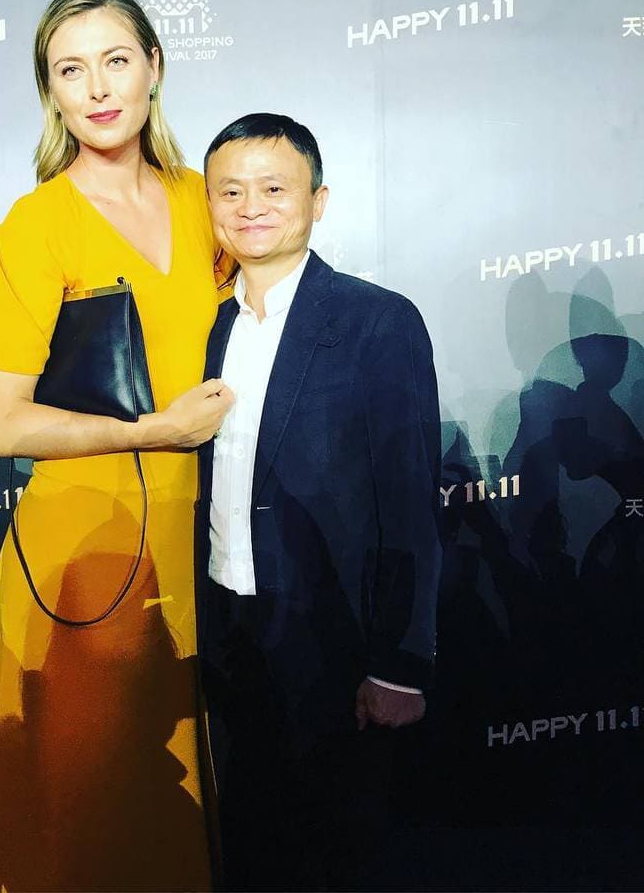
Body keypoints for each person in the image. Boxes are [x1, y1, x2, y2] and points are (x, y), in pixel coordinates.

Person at [0, 0, 233, 893]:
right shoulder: (36, 225)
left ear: (154, 66)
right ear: (50, 91)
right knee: (85, 818)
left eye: (116, 60)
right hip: (85, 559)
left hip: (212, 549)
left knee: (186, 810)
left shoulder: (209, 201)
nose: (98, 88)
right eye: (70, 70)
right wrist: (159, 429)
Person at [195, 113, 442, 891]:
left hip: (334, 641)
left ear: (318, 200)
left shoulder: (376, 321)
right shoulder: (210, 327)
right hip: (229, 634)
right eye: (230, 191)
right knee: (248, 847)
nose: (251, 207)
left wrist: (398, 664)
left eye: (274, 188)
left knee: (338, 853)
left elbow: (410, 502)